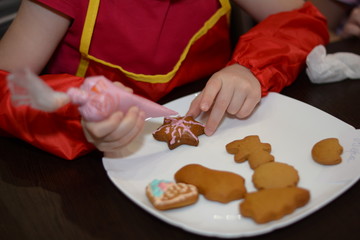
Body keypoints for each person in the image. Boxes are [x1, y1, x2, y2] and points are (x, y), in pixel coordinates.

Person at [0, 0, 329, 160]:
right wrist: (79, 110)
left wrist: (250, 68)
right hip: (92, 172)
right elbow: (6, 84)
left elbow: (300, 18)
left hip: (208, 145)